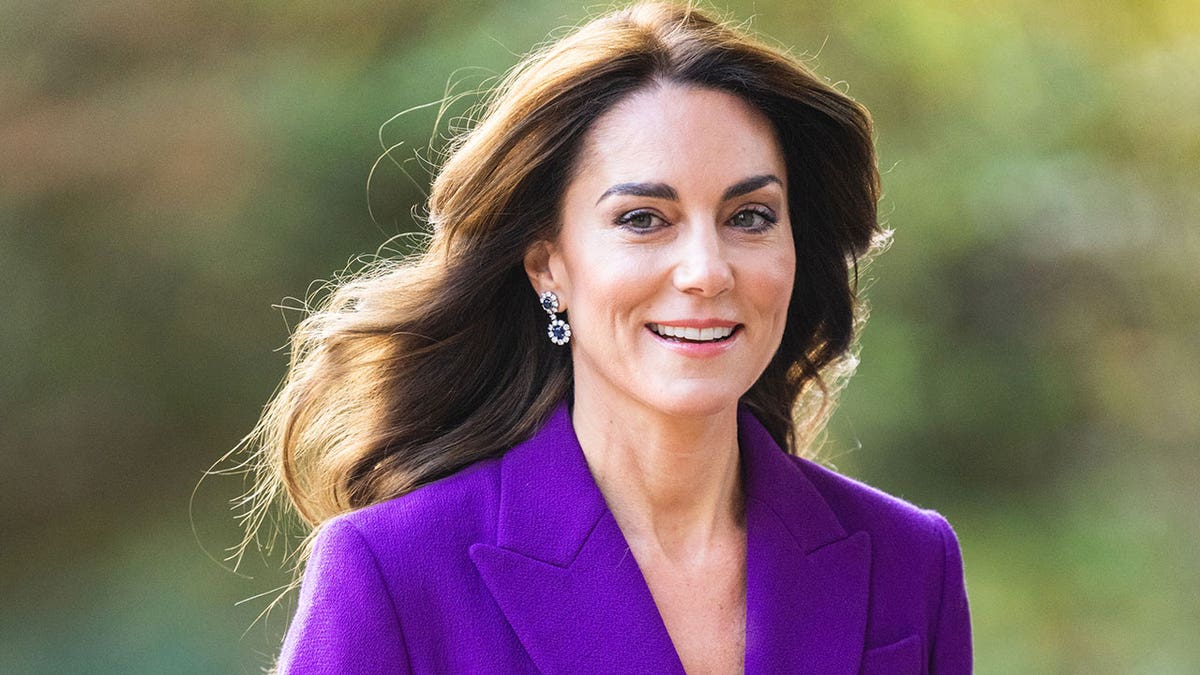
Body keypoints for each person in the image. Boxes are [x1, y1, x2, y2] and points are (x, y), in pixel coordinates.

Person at [238, 2, 972, 672]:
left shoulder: (911, 562)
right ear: (547, 264)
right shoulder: (395, 572)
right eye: (643, 219)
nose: (706, 271)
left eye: (749, 217)